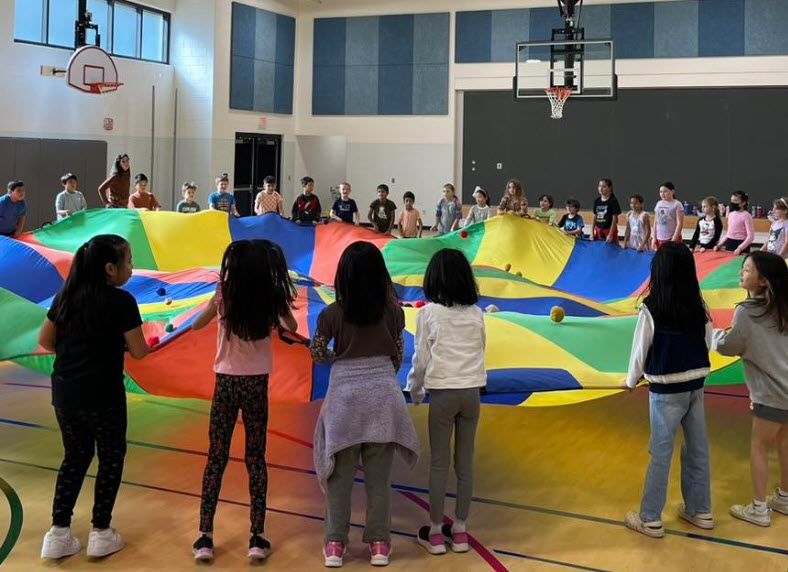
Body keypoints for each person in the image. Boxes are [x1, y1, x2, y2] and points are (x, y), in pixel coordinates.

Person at [38, 235, 148, 560]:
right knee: (111, 458)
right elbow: (140, 351)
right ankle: (101, 531)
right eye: (128, 261)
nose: (132, 267)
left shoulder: (67, 296)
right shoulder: (122, 302)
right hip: (104, 395)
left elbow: (45, 340)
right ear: (110, 268)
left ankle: (58, 533)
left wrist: (78, 353)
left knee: (74, 457)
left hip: (66, 393)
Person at [311, 242, 419, 568]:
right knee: (379, 481)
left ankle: (334, 544)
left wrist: (335, 358)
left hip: (345, 399)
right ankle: (380, 544)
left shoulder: (331, 314)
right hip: (383, 398)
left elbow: (317, 352)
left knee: (339, 478)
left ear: (343, 277)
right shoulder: (393, 312)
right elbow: (398, 355)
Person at [191, 240, 298, 562]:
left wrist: (206, 312)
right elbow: (290, 326)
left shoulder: (225, 294)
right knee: (256, 458)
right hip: (256, 384)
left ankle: (205, 538)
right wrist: (279, 315)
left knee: (216, 457)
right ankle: (257, 537)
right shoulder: (271, 294)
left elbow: (198, 324)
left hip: (225, 382)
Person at [623, 242, 713, 539]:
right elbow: (708, 340)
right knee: (697, 449)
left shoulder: (651, 307)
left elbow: (640, 350)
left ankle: (650, 518)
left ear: (658, 271)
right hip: (696, 384)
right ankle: (701, 510)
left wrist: (631, 379)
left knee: (660, 452)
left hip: (665, 389)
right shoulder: (698, 305)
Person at [406, 249, 485, 556]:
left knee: (439, 463)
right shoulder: (476, 313)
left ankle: (436, 532)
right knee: (465, 462)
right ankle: (461, 530)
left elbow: (421, 360)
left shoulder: (429, 313)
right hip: (471, 393)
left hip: (443, 394)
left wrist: (414, 390)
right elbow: (480, 349)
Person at [712, 252, 788, 526]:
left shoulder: (747, 310)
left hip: (771, 392)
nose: (741, 273)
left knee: (759, 447)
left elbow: (729, 347)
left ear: (764, 281)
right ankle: (784, 497)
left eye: (746, 270)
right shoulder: (783, 306)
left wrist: (716, 335)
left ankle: (759, 509)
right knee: (785, 443)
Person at [715, 191, 754, 255]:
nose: (732, 203)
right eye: (731, 200)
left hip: (742, 244)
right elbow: (729, 233)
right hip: (730, 243)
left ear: (743, 203)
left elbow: (751, 237)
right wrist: (719, 245)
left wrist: (740, 248)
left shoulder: (747, 216)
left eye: (735, 201)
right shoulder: (731, 214)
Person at [652, 182, 684, 250]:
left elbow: (679, 224)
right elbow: (655, 222)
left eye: (665, 191)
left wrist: (673, 240)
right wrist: (654, 237)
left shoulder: (677, 204)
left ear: (672, 191)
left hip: (671, 238)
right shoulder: (659, 203)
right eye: (661, 192)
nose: (662, 194)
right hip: (659, 238)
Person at [590, 178, 622, 243]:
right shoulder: (597, 201)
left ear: (609, 188)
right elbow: (595, 216)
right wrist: (592, 232)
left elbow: (614, 219)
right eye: (599, 186)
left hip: (609, 230)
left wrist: (610, 234)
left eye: (604, 186)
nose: (601, 188)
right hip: (599, 230)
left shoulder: (613, 201)